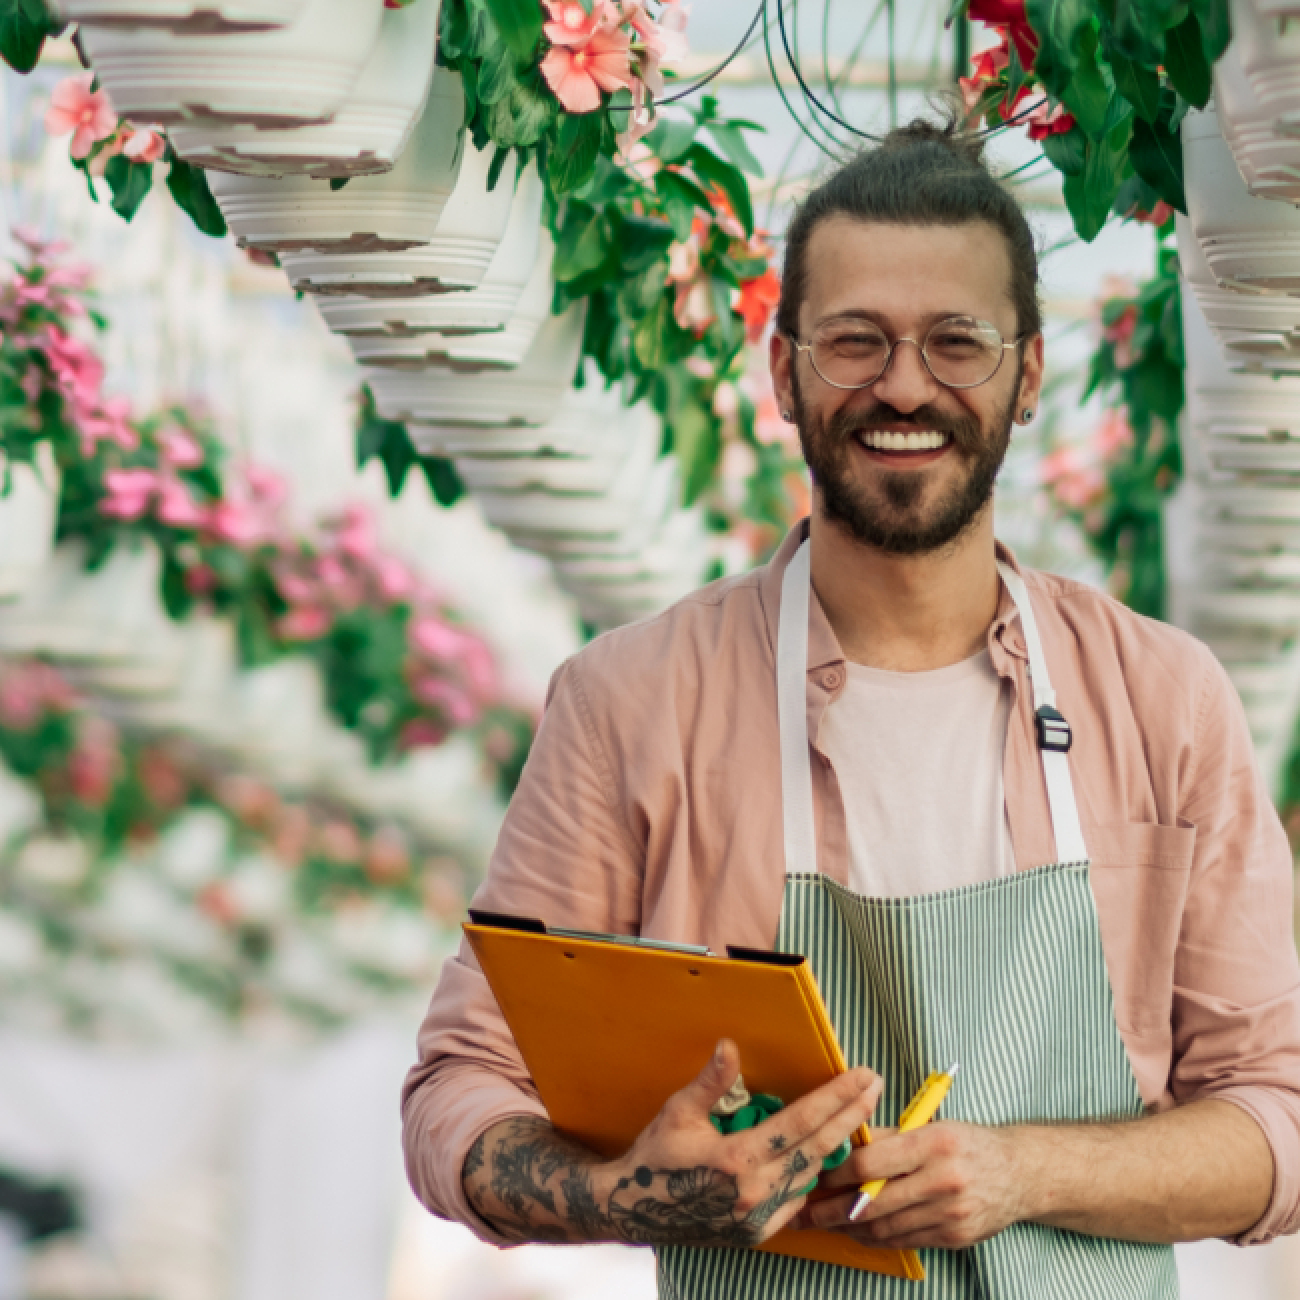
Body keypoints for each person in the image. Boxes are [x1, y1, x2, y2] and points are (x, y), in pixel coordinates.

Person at [402, 118, 1300, 1296]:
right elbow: (461, 1088)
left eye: (955, 342)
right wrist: (630, 1190)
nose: (904, 385)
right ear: (783, 370)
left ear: (1027, 374)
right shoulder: (633, 700)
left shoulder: (1161, 699)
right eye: (854, 341)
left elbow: (1274, 1118)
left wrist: (1021, 1170)